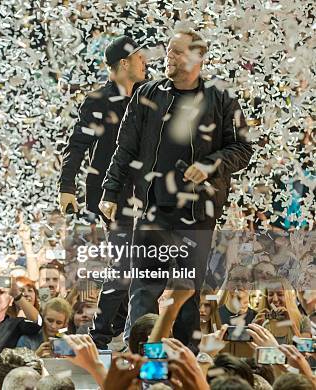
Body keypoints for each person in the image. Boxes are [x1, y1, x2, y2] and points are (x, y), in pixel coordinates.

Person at [100, 28, 253, 347]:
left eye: (177, 51)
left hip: (197, 213)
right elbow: (125, 147)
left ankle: (186, 361)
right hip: (153, 209)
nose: (168, 56)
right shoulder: (147, 95)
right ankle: (139, 357)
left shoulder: (222, 98)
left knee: (187, 295)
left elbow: (242, 149)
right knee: (143, 289)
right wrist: (110, 191)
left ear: (197, 57)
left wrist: (211, 164)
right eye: (168, 50)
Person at [58, 35, 147, 350]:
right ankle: (99, 337)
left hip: (145, 195)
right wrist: (67, 186)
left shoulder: (150, 96)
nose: (145, 63)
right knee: (125, 263)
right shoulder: (97, 101)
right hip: (113, 197)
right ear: (124, 63)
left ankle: (119, 331)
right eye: (139, 58)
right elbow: (77, 145)